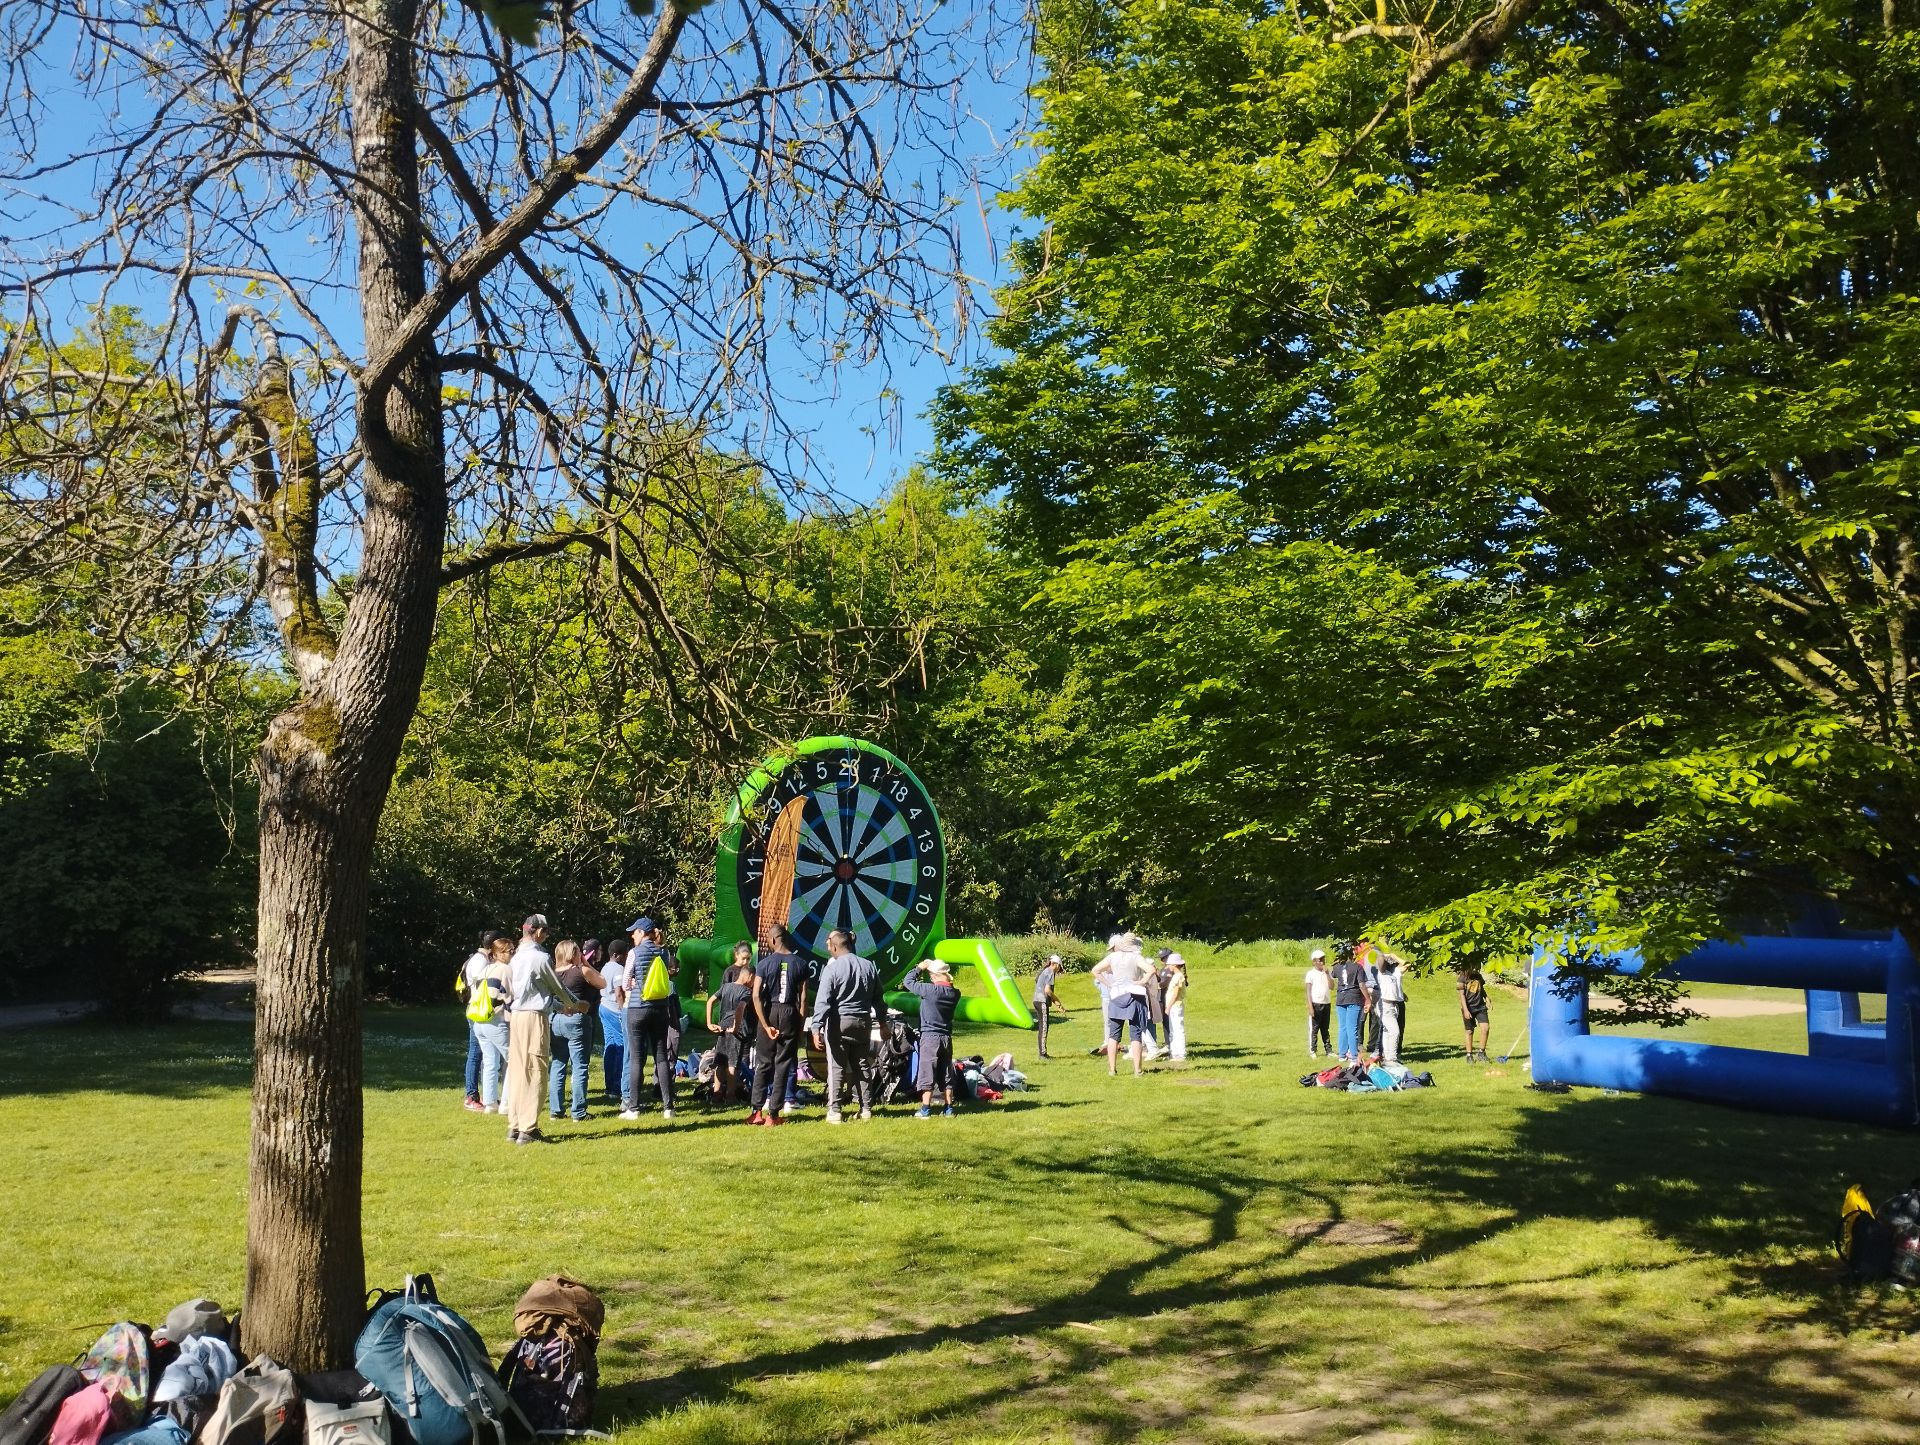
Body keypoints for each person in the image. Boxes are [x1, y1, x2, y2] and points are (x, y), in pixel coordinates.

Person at [505, 914, 581, 1145]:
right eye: (546, 932)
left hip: (517, 1016)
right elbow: (557, 987)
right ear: (538, 931)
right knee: (535, 1070)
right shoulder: (540, 957)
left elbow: (532, 991)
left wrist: (559, 1007)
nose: (546, 936)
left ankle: (514, 1126)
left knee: (518, 1071)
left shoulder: (516, 957)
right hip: (534, 1018)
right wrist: (576, 1004)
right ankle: (528, 1129)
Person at [809, 928, 886, 1123]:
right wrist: (883, 1023)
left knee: (837, 1067)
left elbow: (823, 1001)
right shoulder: (868, 966)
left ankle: (835, 1111)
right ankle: (866, 1109)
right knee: (862, 1065)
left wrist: (816, 1028)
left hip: (839, 1023)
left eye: (829, 946)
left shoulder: (832, 969)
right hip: (863, 1023)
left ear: (835, 947)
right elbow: (879, 998)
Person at [749, 928, 810, 1126]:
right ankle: (773, 1115)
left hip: (770, 1011)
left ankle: (756, 1112)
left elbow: (756, 995)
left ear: (774, 940)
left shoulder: (764, 963)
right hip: (789, 1013)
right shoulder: (801, 964)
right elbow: (803, 999)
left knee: (764, 1063)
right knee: (783, 1064)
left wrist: (765, 1025)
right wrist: (800, 1026)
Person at [621, 915, 679, 1120]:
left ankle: (634, 1108)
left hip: (638, 1008)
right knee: (661, 1056)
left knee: (637, 1059)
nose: (632, 936)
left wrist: (635, 983)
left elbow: (625, 983)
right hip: (660, 1009)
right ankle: (668, 1107)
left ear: (641, 933)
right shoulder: (664, 952)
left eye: (634, 932)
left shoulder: (634, 953)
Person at [548, 939, 604, 1122]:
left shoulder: (553, 973)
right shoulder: (581, 971)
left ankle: (556, 1110)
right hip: (577, 1019)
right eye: (578, 951)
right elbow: (602, 982)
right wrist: (587, 963)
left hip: (556, 1019)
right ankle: (578, 1112)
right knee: (579, 1066)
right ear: (573, 954)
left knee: (558, 1063)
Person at [1091, 931, 1154, 1077]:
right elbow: (1151, 969)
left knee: (1113, 1035)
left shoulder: (1113, 957)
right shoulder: (1136, 957)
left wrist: (1109, 984)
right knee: (1136, 1034)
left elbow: (1095, 970)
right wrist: (1142, 981)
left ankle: (1112, 1069)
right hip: (1134, 995)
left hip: (1117, 995)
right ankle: (1137, 1070)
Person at [905, 957, 960, 1116]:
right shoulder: (955, 993)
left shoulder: (930, 991)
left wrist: (919, 968)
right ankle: (948, 1108)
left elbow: (908, 982)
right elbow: (948, 985)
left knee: (927, 1073)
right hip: (946, 1038)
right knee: (946, 1073)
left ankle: (925, 1109)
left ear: (934, 976)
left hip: (929, 1038)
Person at [705, 942, 755, 1106]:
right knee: (733, 1064)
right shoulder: (746, 991)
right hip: (735, 1030)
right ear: (749, 977)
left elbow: (710, 1001)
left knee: (720, 1061)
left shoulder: (726, 987)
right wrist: (736, 1026)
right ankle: (731, 1096)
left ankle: (716, 1093)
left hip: (722, 1026)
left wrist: (709, 1023)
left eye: (748, 959)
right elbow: (740, 1008)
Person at [469, 931, 514, 1113]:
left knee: (490, 1062)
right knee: (514, 1060)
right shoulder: (506, 970)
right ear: (498, 953)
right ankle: (507, 1104)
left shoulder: (485, 969)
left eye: (512, 951)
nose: (512, 954)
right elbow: (509, 997)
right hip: (496, 1020)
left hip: (479, 1021)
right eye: (509, 951)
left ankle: (490, 1104)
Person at [455, 929, 498, 1111]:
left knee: (483, 1053)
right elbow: (485, 987)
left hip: (478, 1010)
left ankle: (486, 1096)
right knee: (476, 1053)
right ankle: (471, 1096)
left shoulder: (480, 959)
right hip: (478, 1010)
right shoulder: (480, 961)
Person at [599, 934, 630, 1107]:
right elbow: (619, 992)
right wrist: (622, 1009)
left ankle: (609, 1085)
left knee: (609, 1046)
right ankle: (617, 1086)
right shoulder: (618, 969)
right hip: (614, 1009)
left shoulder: (605, 967)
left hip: (603, 1007)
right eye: (625, 955)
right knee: (621, 1047)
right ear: (617, 955)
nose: (626, 958)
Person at [1331, 942, 1371, 1065]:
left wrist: (1337, 962)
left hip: (1340, 999)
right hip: (1354, 998)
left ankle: (1342, 1054)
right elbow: (1362, 985)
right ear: (1352, 953)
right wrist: (1368, 999)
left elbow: (1333, 974)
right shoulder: (1357, 967)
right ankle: (1354, 1055)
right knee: (1352, 1028)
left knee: (1343, 1027)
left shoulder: (1337, 967)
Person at [1031, 953, 1066, 1059]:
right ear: (1056, 964)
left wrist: (1057, 1004)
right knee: (1044, 1028)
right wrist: (1057, 1000)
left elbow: (1043, 987)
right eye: (1059, 967)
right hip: (1041, 1001)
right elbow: (1047, 990)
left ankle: (1043, 1053)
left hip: (1037, 1001)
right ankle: (1043, 1054)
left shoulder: (1045, 971)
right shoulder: (1050, 971)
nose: (1059, 969)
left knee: (1043, 1027)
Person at [1375, 950, 1407, 1064]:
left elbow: (1407, 965)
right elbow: (1380, 960)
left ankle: (1388, 1056)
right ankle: (1392, 1058)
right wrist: (1386, 955)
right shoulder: (1382, 973)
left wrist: (1394, 956)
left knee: (1388, 1031)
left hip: (1394, 1005)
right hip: (1385, 1005)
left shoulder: (1394, 973)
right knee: (1394, 1032)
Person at [1304, 949, 1333, 1059]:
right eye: (1320, 960)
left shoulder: (1326, 972)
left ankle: (1328, 1050)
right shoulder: (1310, 974)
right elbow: (1308, 991)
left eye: (1323, 959)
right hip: (1316, 1003)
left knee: (1325, 1028)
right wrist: (1310, 1006)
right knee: (1314, 1028)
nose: (1322, 962)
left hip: (1326, 1002)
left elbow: (1331, 986)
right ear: (1314, 961)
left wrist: (1327, 974)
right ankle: (1313, 1050)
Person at [1459, 965, 1491, 1061]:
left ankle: (1481, 1053)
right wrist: (1466, 1010)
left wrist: (1487, 998)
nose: (1476, 968)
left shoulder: (1478, 976)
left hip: (1480, 1007)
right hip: (1468, 1007)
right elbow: (1462, 995)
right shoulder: (1462, 977)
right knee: (1469, 1031)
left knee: (1485, 1028)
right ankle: (1469, 1055)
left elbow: (1482, 989)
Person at [1163, 952, 1189, 1061]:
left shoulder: (1178, 976)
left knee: (1178, 1029)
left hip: (1175, 1005)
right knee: (1173, 1029)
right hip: (1173, 1006)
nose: (1168, 966)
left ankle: (1181, 1053)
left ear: (1174, 965)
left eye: (1169, 964)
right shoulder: (1176, 976)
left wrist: (1168, 1007)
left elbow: (1175, 993)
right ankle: (1174, 1053)